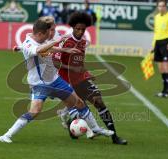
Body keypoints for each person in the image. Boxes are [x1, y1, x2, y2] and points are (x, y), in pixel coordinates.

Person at [0, 16, 114, 143]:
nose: (50, 35)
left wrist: (64, 49)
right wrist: (57, 41)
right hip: (40, 84)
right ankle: (7, 135)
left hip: (55, 80)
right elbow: (39, 49)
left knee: (79, 102)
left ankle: (95, 128)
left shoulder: (37, 39)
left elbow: (46, 46)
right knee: (35, 111)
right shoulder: (29, 44)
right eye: (49, 32)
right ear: (41, 33)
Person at [52, 12, 127, 145]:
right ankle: (71, 122)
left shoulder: (83, 43)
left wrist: (86, 73)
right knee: (81, 109)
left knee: (98, 101)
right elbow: (55, 62)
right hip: (66, 80)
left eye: (83, 29)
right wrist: (71, 69)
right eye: (78, 29)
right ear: (73, 27)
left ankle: (115, 137)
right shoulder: (63, 41)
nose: (80, 32)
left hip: (80, 79)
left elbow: (79, 63)